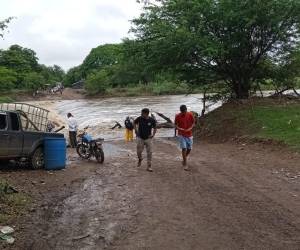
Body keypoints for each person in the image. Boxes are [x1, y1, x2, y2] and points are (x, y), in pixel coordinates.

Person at [175, 105, 195, 171]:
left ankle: (184, 159)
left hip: (189, 134)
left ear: (186, 110)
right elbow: (175, 125)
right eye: (182, 112)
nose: (184, 113)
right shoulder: (177, 116)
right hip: (181, 134)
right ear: (180, 111)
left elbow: (193, 123)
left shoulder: (190, 114)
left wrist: (190, 128)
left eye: (185, 111)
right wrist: (179, 128)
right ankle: (185, 164)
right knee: (184, 148)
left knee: (189, 149)